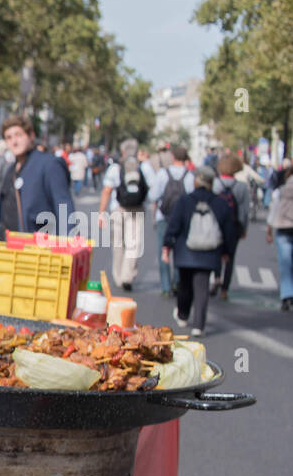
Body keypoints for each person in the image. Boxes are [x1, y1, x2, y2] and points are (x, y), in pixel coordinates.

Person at [162, 166, 235, 337]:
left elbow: (174, 225)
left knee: (184, 285)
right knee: (201, 288)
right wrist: (227, 251)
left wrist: (167, 245)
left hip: (185, 251)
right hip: (209, 253)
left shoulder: (185, 201)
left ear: (195, 182)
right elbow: (228, 231)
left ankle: (182, 314)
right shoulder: (220, 203)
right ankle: (199, 325)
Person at [0, 113, 74, 234]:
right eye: (9, 137)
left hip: (37, 247)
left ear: (31, 136)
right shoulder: (9, 170)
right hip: (8, 246)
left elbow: (64, 208)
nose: (14, 142)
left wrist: (68, 246)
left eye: (18, 135)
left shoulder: (49, 164)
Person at [98, 139, 151, 291]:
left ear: (122, 151)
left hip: (118, 209)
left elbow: (107, 190)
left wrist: (101, 213)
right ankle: (128, 276)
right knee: (133, 243)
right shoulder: (143, 167)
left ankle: (118, 276)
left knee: (118, 244)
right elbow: (152, 189)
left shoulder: (115, 168)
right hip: (137, 209)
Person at [147, 144, 193, 297]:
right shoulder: (190, 176)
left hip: (164, 217)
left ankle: (165, 287)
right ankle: (177, 283)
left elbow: (153, 195)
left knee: (163, 250)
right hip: (183, 220)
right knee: (180, 251)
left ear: (173, 157)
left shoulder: (162, 174)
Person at [212, 153, 250, 301]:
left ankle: (216, 277)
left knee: (215, 253)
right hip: (234, 226)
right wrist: (244, 229)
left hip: (217, 224)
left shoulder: (215, 184)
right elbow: (244, 211)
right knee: (230, 258)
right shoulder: (241, 186)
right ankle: (224, 289)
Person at [265, 159, 293, 311]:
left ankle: (286, 296)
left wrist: (269, 230)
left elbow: (274, 211)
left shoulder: (281, 190)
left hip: (283, 227)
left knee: (285, 264)